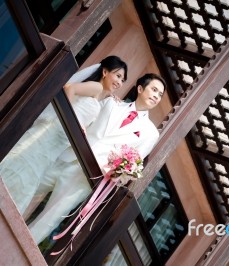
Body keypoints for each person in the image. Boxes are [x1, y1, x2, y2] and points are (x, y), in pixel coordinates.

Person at [28, 73, 166, 244]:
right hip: (68, 156)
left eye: (160, 95)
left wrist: (117, 173)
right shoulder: (111, 102)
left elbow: (133, 163)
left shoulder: (150, 132)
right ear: (140, 89)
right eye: (154, 90)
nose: (156, 96)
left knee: (48, 219)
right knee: (28, 188)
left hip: (87, 176)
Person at [0, 56, 128, 215]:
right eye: (117, 75)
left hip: (59, 140)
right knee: (26, 159)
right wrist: (67, 118)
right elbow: (70, 88)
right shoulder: (96, 87)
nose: (119, 81)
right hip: (54, 132)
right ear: (104, 72)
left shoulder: (101, 95)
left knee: (30, 164)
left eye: (123, 79)